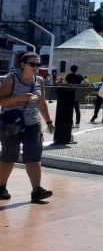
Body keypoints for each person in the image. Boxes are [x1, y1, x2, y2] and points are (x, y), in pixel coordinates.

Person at [0, 52, 55, 203]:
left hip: (33, 123)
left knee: (34, 156)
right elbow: (1, 100)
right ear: (23, 65)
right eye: (33, 64)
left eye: (38, 64)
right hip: (12, 123)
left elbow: (41, 102)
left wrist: (49, 122)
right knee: (9, 156)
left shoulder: (39, 80)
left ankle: (36, 190)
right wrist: (18, 98)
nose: (36, 67)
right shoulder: (11, 79)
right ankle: (1, 187)